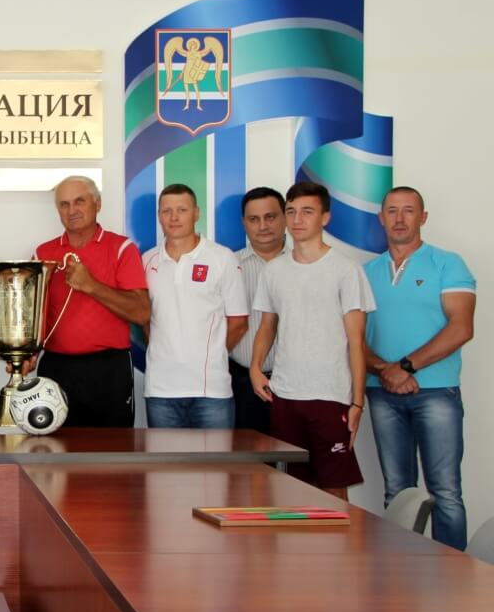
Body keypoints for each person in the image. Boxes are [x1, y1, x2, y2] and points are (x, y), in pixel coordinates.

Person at [364, 186, 475, 550]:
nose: (399, 219)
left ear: (423, 217)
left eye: (408, 210)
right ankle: (402, 572)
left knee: (445, 491)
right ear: (381, 218)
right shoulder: (365, 272)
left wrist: (406, 367)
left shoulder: (448, 264)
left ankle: (454, 574)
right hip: (382, 393)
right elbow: (353, 337)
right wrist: (387, 372)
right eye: (392, 211)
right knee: (397, 492)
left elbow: (461, 328)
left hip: (436, 392)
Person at [250, 181, 374, 500]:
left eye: (307, 211)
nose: (297, 219)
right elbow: (267, 325)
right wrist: (255, 367)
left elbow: (356, 341)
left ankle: (341, 539)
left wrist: (357, 402)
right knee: (291, 489)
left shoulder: (346, 270)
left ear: (325, 217)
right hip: (285, 395)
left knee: (334, 489)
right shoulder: (274, 270)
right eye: (291, 211)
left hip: (330, 395)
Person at [31, 175, 149, 427]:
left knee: (112, 448)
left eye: (79, 201)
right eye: (64, 204)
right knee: (54, 447)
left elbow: (141, 312)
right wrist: (29, 352)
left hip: (108, 369)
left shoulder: (121, 248)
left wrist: (91, 285)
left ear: (98, 203)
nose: (71, 210)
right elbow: (34, 313)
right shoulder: (43, 253)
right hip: (56, 367)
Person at [141, 184, 247, 428]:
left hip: (211, 391)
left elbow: (239, 322)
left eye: (182, 210)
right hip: (160, 391)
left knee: (216, 456)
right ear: (159, 216)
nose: (174, 217)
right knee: (164, 456)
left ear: (196, 213)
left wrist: (210, 356)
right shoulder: (146, 261)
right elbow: (145, 321)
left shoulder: (222, 258)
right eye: (167, 211)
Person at [229, 187, 288, 434]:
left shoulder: (304, 265)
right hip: (241, 384)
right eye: (254, 219)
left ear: (285, 217)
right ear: (244, 223)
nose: (263, 226)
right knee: (249, 457)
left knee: (295, 456)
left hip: (295, 384)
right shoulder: (229, 266)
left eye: (270, 217)